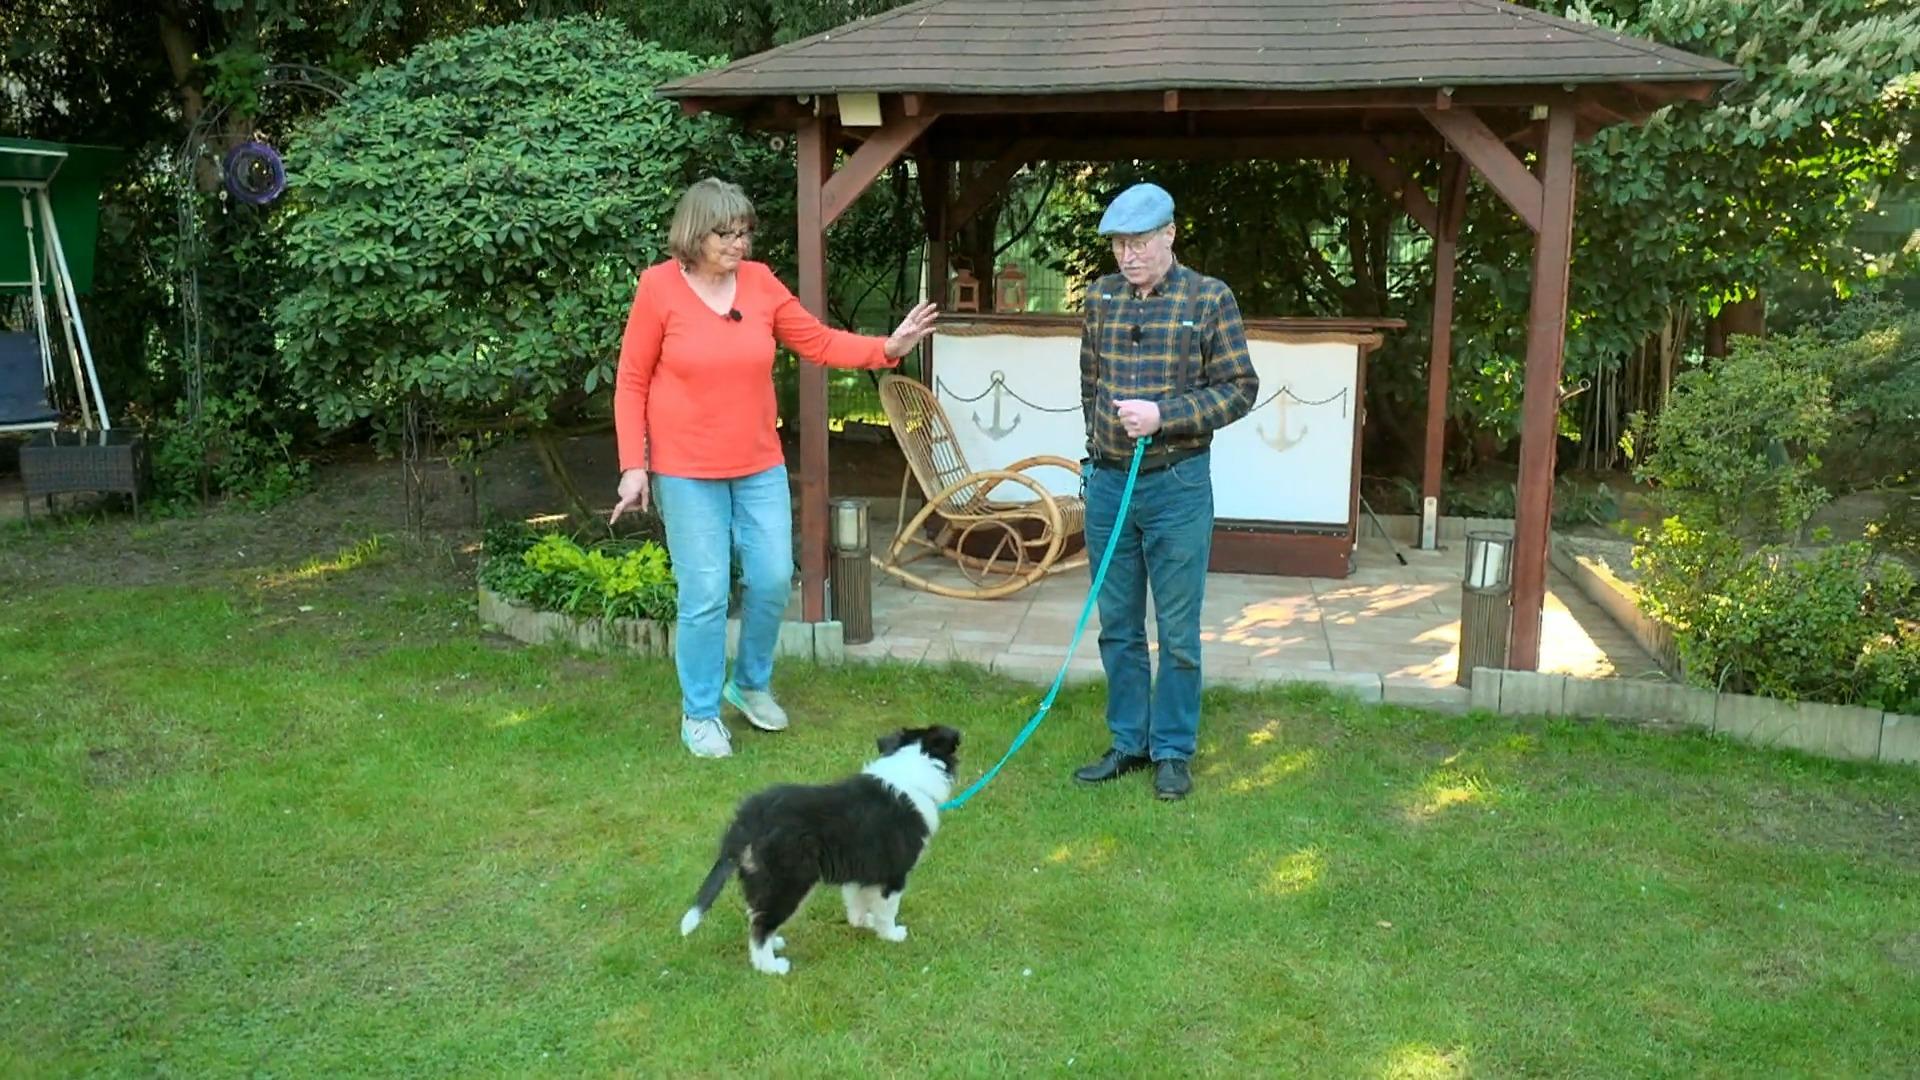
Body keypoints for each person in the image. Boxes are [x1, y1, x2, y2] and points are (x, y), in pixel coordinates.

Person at [609, 177, 938, 759]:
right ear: (694, 234)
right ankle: (701, 712)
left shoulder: (758, 285)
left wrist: (886, 348)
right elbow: (633, 380)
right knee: (705, 592)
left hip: (758, 463)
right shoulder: (658, 289)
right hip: (685, 471)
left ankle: (751, 683)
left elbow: (816, 341)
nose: (739, 243)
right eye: (725, 234)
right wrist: (634, 466)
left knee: (768, 580)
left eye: (743, 232)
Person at [1071, 182, 1258, 801]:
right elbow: (1090, 383)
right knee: (1117, 624)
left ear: (1171, 234)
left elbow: (1239, 388)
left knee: (1177, 630)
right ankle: (1129, 741)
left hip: (1178, 486)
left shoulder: (1209, 300)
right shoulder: (1100, 299)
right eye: (1121, 245)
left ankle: (1173, 750)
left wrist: (1164, 416)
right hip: (1107, 485)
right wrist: (1101, 450)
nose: (1129, 256)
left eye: (1141, 242)